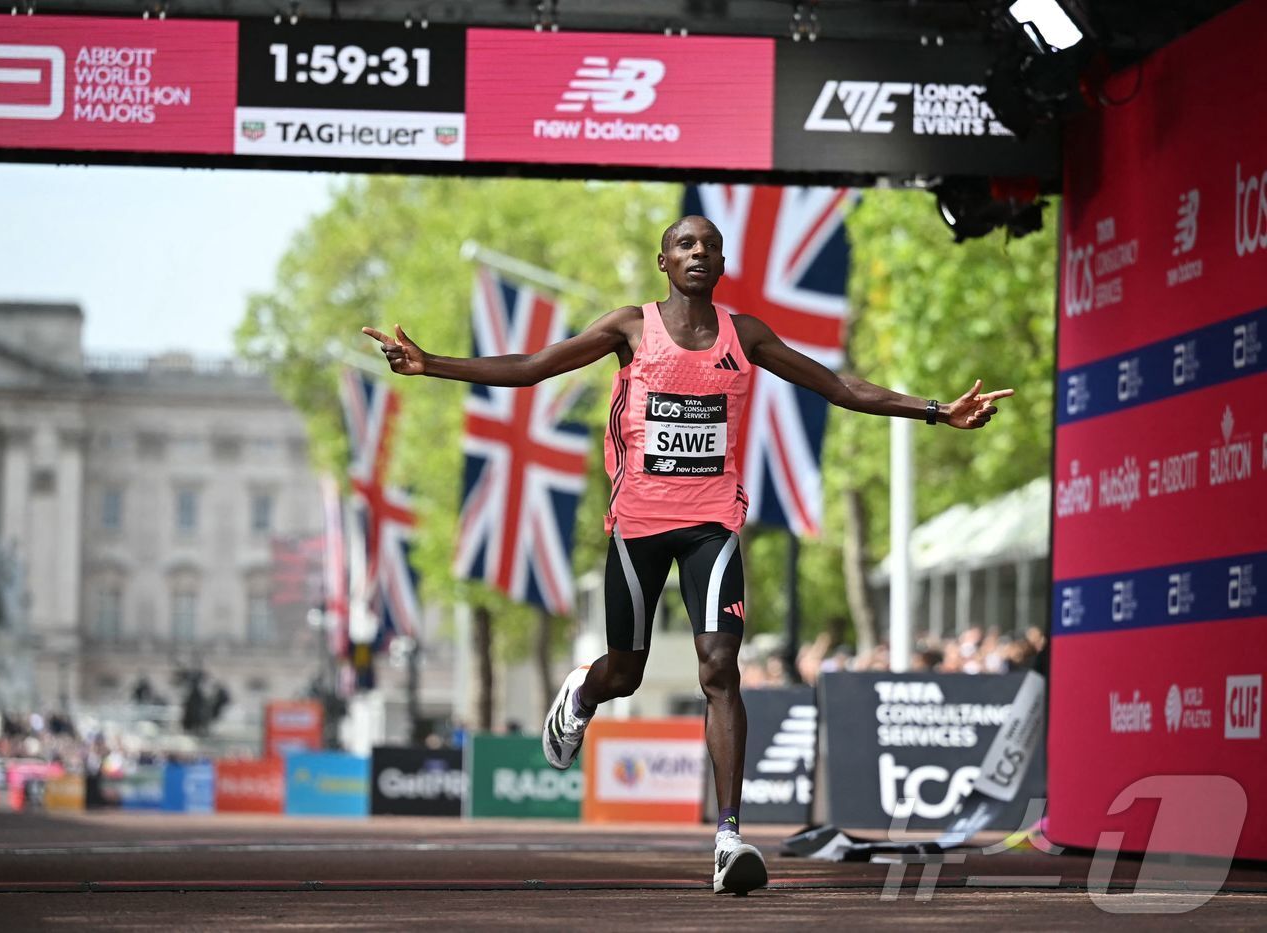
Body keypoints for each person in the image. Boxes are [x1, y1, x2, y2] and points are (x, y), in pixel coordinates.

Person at [363, 215, 1012, 895]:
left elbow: (837, 386)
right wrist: (430, 363)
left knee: (720, 668)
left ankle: (729, 838)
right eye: (685, 245)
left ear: (722, 263)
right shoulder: (628, 329)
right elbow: (532, 369)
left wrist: (938, 411)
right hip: (637, 525)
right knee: (625, 674)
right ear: (663, 262)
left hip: (712, 524)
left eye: (708, 245)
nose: (698, 252)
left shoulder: (746, 334)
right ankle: (584, 691)